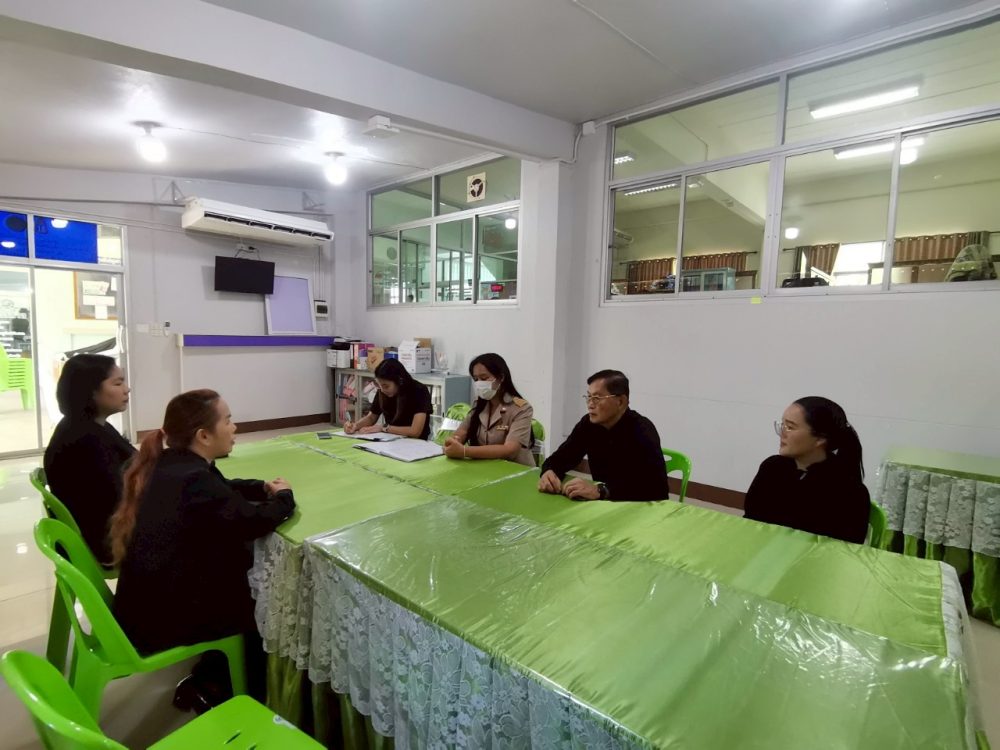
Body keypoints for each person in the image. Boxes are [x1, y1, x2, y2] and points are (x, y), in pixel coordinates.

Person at [109, 389, 294, 705]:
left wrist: (261, 487)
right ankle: (227, 687)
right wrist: (284, 498)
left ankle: (216, 674)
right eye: (228, 420)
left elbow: (224, 489)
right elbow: (252, 521)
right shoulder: (193, 479)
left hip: (145, 601)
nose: (235, 427)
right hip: (161, 619)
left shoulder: (173, 462)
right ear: (204, 435)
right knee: (262, 597)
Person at [43, 354, 134, 566]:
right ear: (91, 391)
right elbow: (118, 496)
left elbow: (133, 462)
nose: (126, 389)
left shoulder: (90, 426)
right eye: (118, 383)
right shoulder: (84, 440)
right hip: (107, 541)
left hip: (108, 528)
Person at [743, 396, 869, 544]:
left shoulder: (849, 491)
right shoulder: (771, 468)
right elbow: (750, 521)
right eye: (782, 425)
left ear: (820, 439)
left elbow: (845, 549)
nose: (782, 433)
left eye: (790, 427)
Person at [538, 370, 669, 501]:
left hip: (639, 507)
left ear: (621, 402)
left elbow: (656, 489)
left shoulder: (642, 430)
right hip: (603, 505)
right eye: (588, 397)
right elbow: (563, 457)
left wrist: (601, 490)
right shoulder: (588, 425)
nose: (590, 404)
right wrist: (549, 471)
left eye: (597, 398)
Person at [443, 353, 535, 467]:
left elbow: (510, 450)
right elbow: (462, 431)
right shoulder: (479, 405)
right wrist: (454, 441)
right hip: (485, 468)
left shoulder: (521, 408)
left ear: (501, 377)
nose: (479, 383)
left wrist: (465, 451)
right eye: (476, 379)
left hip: (516, 470)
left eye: (484, 378)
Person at [344, 358, 432, 440]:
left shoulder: (419, 390)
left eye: (386, 386)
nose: (382, 390)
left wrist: (384, 428)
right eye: (379, 385)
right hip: (391, 440)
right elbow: (371, 417)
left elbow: (415, 431)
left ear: (399, 381)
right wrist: (355, 426)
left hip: (416, 443)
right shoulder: (382, 391)